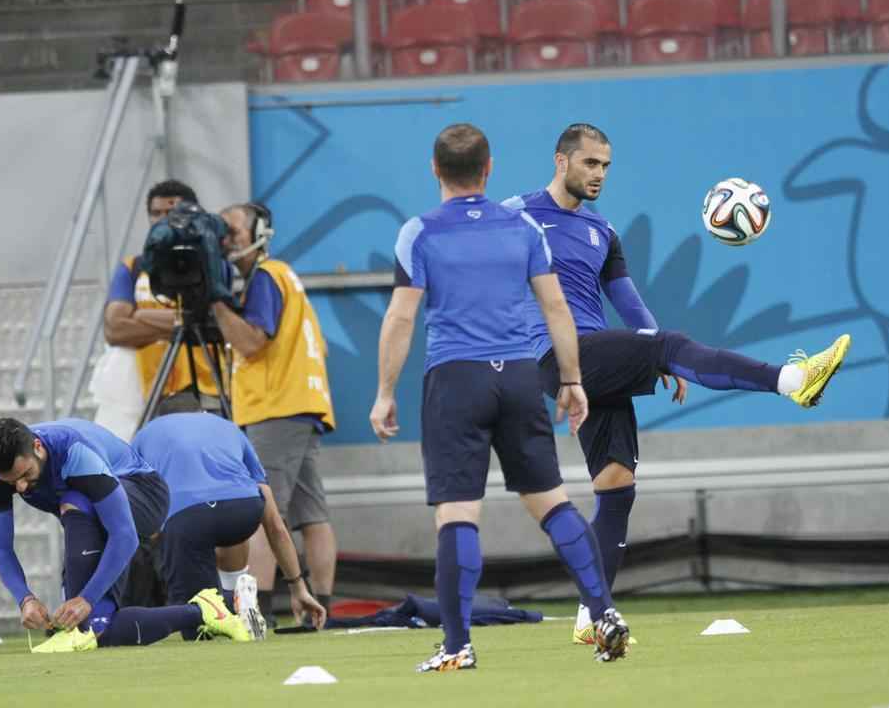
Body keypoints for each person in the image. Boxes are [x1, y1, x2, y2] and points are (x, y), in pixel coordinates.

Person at [502, 122, 851, 643]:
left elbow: (630, 305)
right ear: (561, 161)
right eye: (590, 163)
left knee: (616, 485)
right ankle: (793, 379)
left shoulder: (603, 233)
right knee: (669, 345)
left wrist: (654, 354)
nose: (599, 174)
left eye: (606, 166)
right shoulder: (516, 214)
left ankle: (590, 616)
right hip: (555, 357)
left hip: (596, 361)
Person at [369, 123, 630, 672]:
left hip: (454, 379)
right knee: (553, 502)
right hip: (516, 378)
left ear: (435, 170)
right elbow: (557, 309)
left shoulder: (419, 232)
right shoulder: (523, 227)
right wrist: (573, 379)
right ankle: (604, 614)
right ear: (489, 170)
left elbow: (400, 316)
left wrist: (385, 392)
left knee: (458, 513)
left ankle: (457, 645)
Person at [0, 416, 249, 651]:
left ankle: (208, 608)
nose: (22, 487)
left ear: (38, 447)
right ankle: (208, 609)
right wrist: (25, 598)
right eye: (11, 482)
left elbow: (124, 535)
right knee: (97, 629)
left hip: (144, 496)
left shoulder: (75, 454)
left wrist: (87, 598)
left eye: (25, 474)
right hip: (87, 511)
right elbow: (1, 548)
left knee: (75, 499)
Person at [212, 202, 338, 625]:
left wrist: (215, 304)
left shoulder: (265, 277)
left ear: (259, 233)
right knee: (312, 513)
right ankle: (322, 607)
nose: (224, 238)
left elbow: (251, 343)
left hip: (276, 407)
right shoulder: (286, 275)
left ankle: (259, 611)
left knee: (262, 512)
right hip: (302, 404)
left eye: (232, 229)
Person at [131, 412, 328, 639]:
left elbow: (138, 501)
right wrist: (298, 587)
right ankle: (239, 598)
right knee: (223, 529)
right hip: (243, 510)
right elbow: (275, 525)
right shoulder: (229, 427)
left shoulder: (145, 434)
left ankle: (230, 601)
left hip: (187, 518)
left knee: (196, 622)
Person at [104, 180, 223, 419]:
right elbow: (115, 330)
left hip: (209, 389)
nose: (162, 219)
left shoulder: (214, 263)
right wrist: (179, 326)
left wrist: (140, 316)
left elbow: (216, 321)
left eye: (171, 213)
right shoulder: (134, 267)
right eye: (155, 213)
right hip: (157, 391)